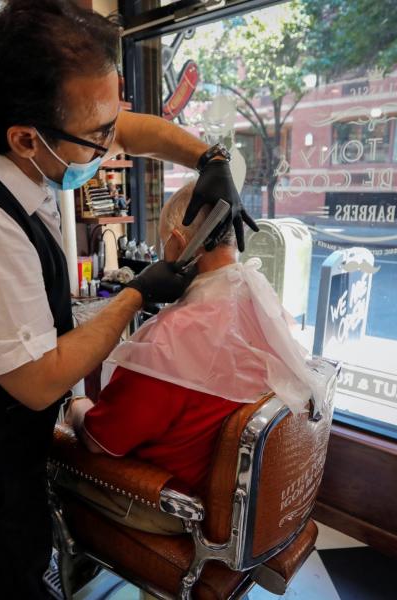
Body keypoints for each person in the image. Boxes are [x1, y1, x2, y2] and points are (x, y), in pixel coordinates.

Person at [0, 1, 257, 598]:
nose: (112, 143)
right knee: (4, 575)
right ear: (25, 138)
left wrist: (209, 159)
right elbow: (41, 381)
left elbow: (123, 127)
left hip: (13, 430)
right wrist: (136, 293)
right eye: (99, 136)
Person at [63, 180, 325, 535]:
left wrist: (76, 406)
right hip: (248, 508)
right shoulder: (264, 308)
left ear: (177, 242)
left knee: (57, 453)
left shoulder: (172, 340)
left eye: (162, 244)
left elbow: (99, 441)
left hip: (174, 506)